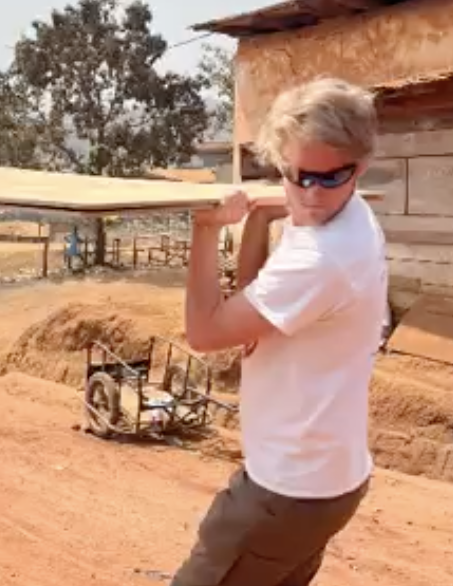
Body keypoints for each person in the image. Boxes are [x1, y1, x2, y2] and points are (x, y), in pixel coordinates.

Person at [174, 78, 387, 586]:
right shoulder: (342, 215)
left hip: (286, 490)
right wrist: (263, 214)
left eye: (330, 177)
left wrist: (205, 229)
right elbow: (257, 301)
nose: (311, 195)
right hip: (326, 480)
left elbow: (205, 332)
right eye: (298, 176)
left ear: (359, 165)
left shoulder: (324, 257)